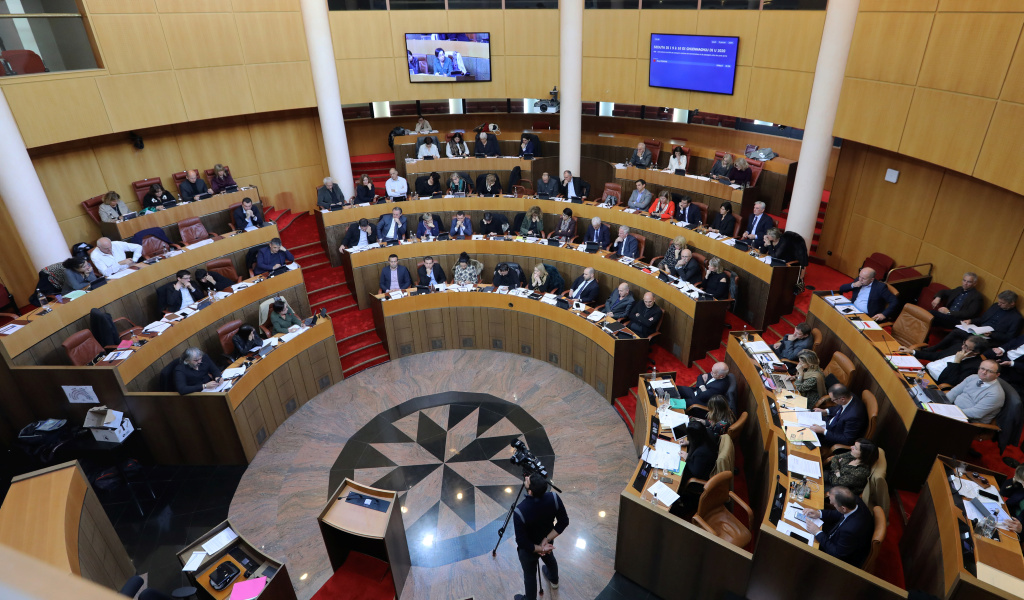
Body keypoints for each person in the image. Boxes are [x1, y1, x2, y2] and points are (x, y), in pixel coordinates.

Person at [512, 473, 569, 600]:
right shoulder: (554, 498)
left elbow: (522, 541)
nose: (526, 478)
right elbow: (564, 521)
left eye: (528, 480)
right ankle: (554, 580)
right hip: (547, 543)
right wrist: (546, 540)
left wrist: (539, 549)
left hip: (529, 550)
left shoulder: (520, 511)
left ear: (530, 492)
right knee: (550, 559)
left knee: (530, 576)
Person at [917, 291, 1022, 360]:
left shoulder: (1016, 318)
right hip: (978, 331)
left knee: (958, 335)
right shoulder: (995, 306)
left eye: (1002, 303)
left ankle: (935, 351)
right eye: (999, 302)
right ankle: (937, 351)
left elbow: (1010, 338)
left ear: (1012, 303)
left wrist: (992, 334)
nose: (999, 304)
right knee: (957, 332)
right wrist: (971, 321)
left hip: (990, 339)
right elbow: (983, 319)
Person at [801, 487, 874, 567]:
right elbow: (839, 513)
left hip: (840, 561)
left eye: (834, 504)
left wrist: (817, 532)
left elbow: (836, 554)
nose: (831, 503)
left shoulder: (850, 530)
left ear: (843, 508)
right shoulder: (854, 501)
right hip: (839, 537)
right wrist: (819, 514)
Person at [671, 421, 718, 515]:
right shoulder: (708, 432)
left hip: (699, 476)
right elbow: (699, 440)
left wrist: (687, 457)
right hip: (703, 464)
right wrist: (688, 443)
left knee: (673, 474)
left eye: (690, 437)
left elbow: (695, 472)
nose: (688, 437)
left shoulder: (701, 453)